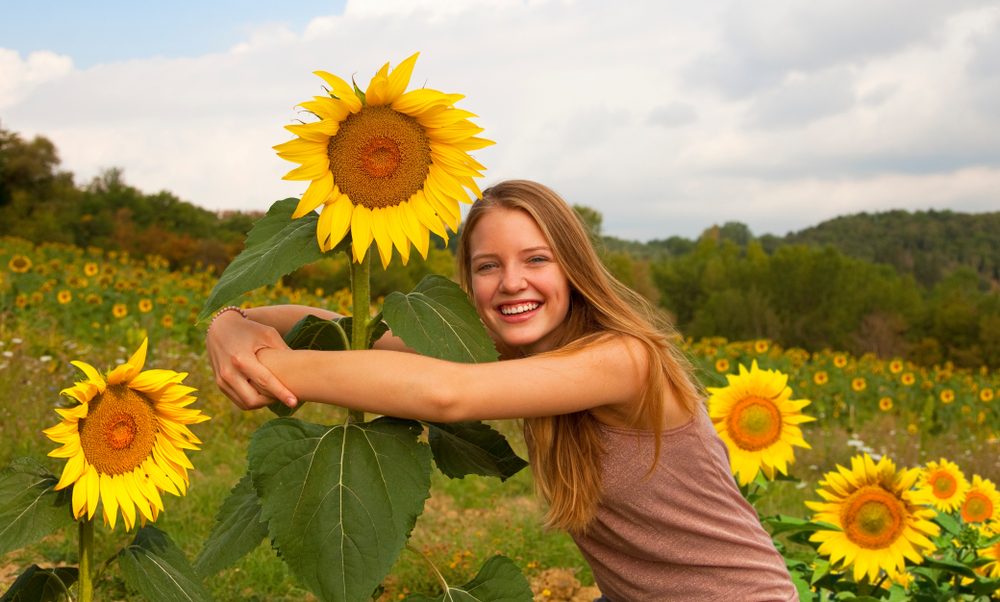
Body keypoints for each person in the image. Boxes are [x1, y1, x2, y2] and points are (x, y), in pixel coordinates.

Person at [206, 180, 797, 601]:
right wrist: (233, 319)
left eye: (536, 259)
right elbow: (339, 330)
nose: (511, 281)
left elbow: (448, 396)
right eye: (488, 266)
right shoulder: (516, 354)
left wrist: (273, 366)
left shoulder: (627, 360)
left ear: (574, 268)